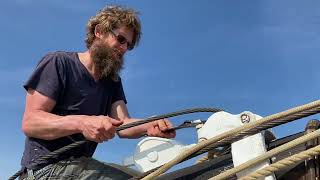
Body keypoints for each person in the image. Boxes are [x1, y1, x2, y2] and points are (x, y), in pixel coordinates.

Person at [19, 5, 176, 179]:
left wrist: (150, 124)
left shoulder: (113, 83)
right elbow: (30, 122)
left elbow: (123, 125)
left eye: (129, 45)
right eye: (121, 39)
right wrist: (82, 123)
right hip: (44, 169)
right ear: (99, 31)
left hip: (80, 166)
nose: (124, 48)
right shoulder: (59, 63)